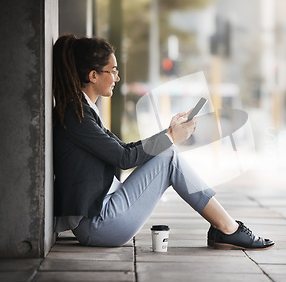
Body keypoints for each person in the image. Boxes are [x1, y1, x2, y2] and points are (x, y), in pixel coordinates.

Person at [52, 34, 274, 250]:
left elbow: (124, 149)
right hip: (98, 224)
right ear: (93, 75)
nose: (117, 78)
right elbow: (124, 158)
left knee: (167, 154)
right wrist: (170, 139)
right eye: (113, 71)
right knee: (169, 157)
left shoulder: (83, 111)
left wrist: (168, 133)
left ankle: (225, 227)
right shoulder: (77, 114)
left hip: (101, 215)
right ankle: (227, 228)